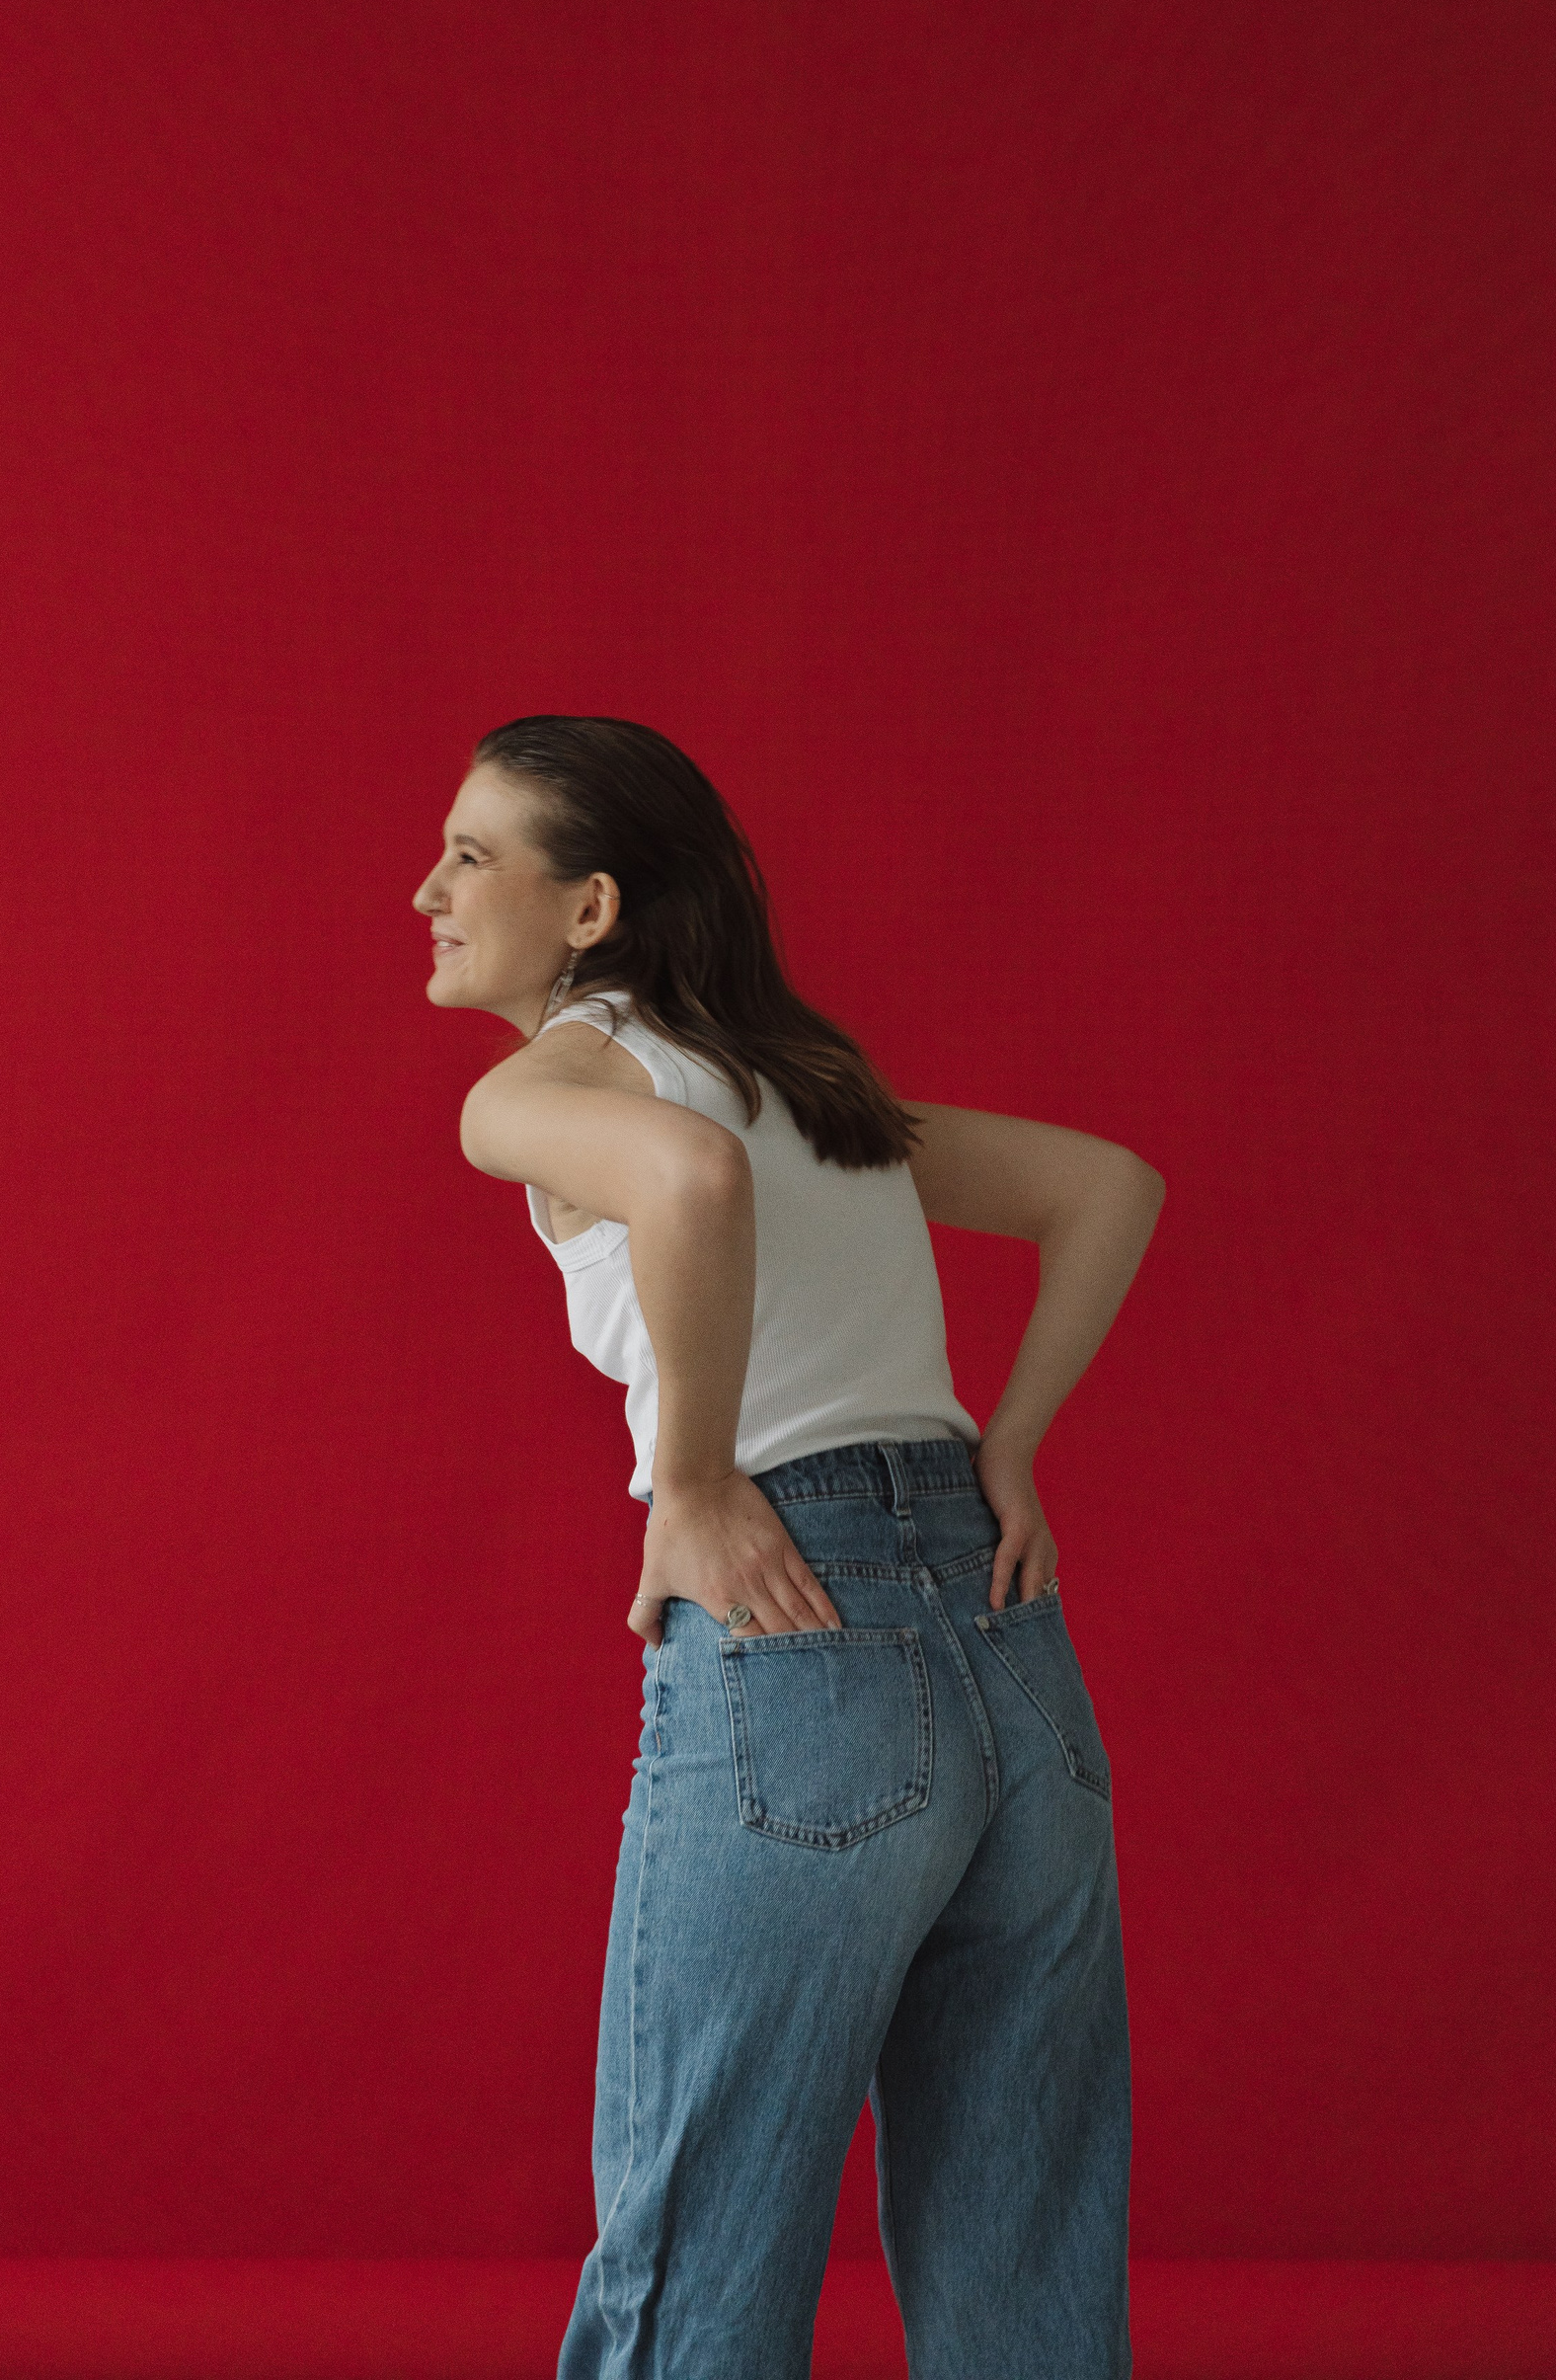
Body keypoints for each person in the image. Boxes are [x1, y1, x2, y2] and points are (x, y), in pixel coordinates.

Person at [412, 715, 1165, 2380]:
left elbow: (687, 1182)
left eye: (469, 856)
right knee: (1026, 2229)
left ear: (591, 907)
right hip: (1010, 1650)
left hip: (803, 1629)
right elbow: (1107, 1184)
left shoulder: (534, 1092)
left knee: (702, 2232)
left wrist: (691, 1480)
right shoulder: (808, 1083)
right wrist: (1008, 1443)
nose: (428, 893)